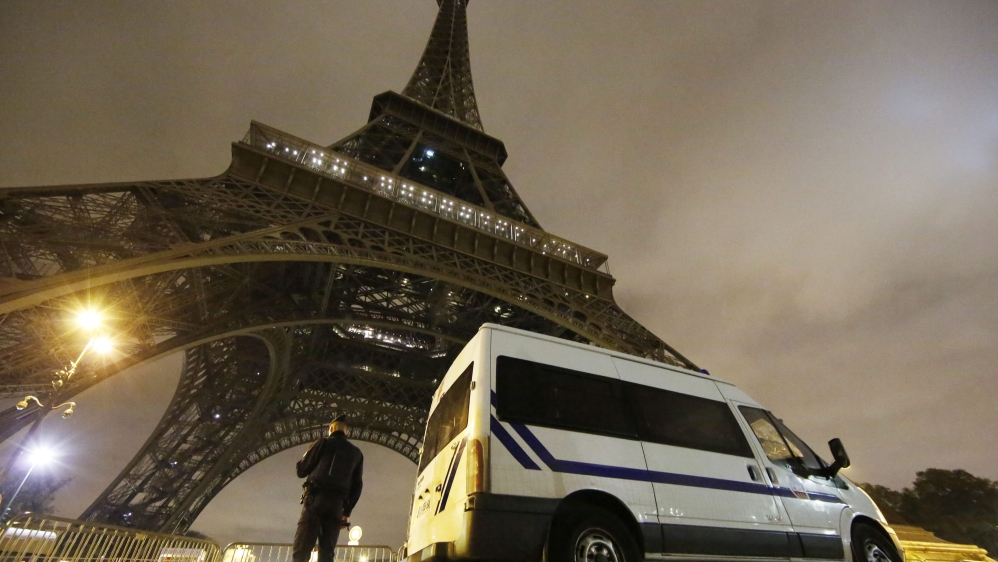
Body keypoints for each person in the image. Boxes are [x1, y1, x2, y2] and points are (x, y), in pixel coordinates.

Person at [292, 414, 364, 562]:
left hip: (315, 501)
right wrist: (347, 513)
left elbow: (301, 471)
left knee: (302, 549)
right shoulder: (356, 453)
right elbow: (357, 486)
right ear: (347, 432)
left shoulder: (322, 443)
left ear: (331, 429)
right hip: (337, 506)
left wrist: (307, 454)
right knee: (327, 553)